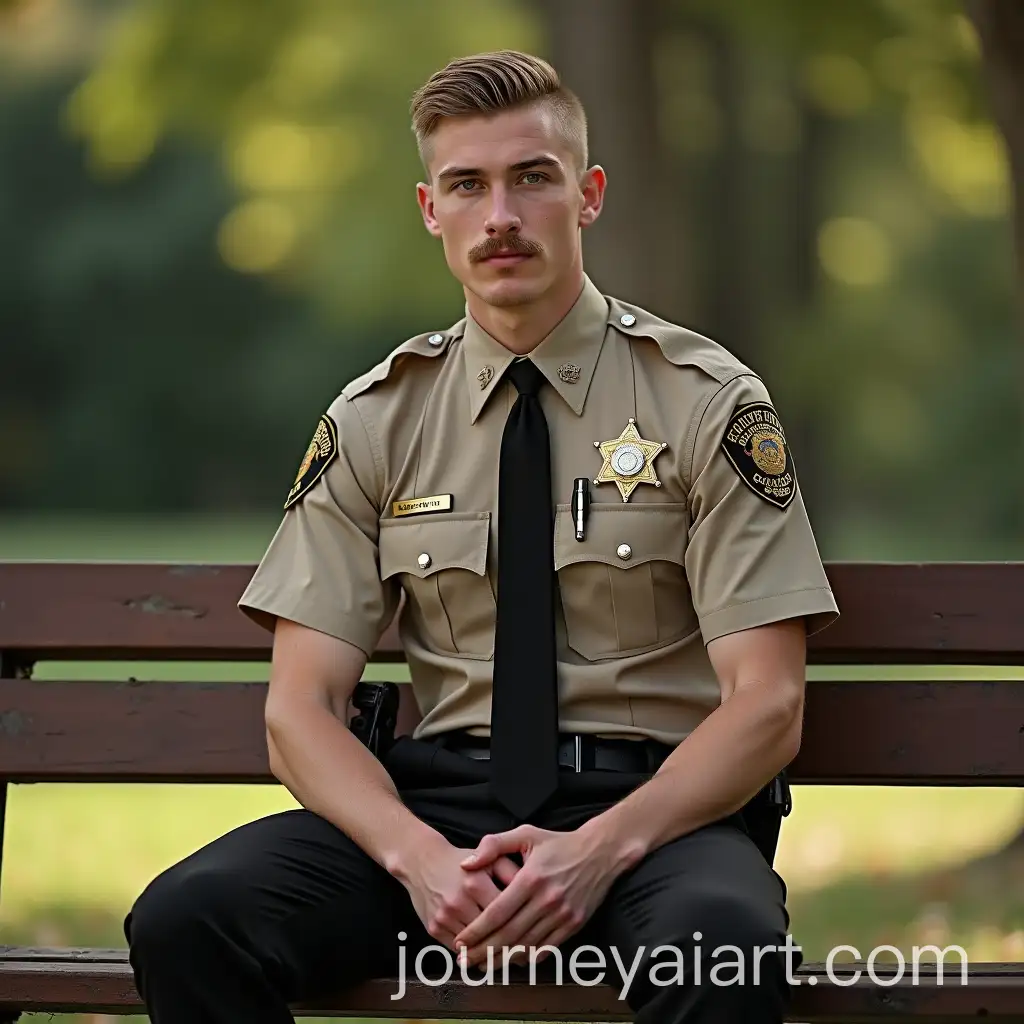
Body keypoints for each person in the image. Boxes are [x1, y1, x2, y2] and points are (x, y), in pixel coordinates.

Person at [123, 49, 839, 1023]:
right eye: (467, 184)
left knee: (726, 948)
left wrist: (596, 852)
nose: (499, 213)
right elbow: (300, 708)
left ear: (587, 195)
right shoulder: (378, 419)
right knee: (189, 917)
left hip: (653, 824)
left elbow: (768, 703)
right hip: (439, 824)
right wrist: (415, 858)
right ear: (431, 210)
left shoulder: (706, 401)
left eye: (531, 178)